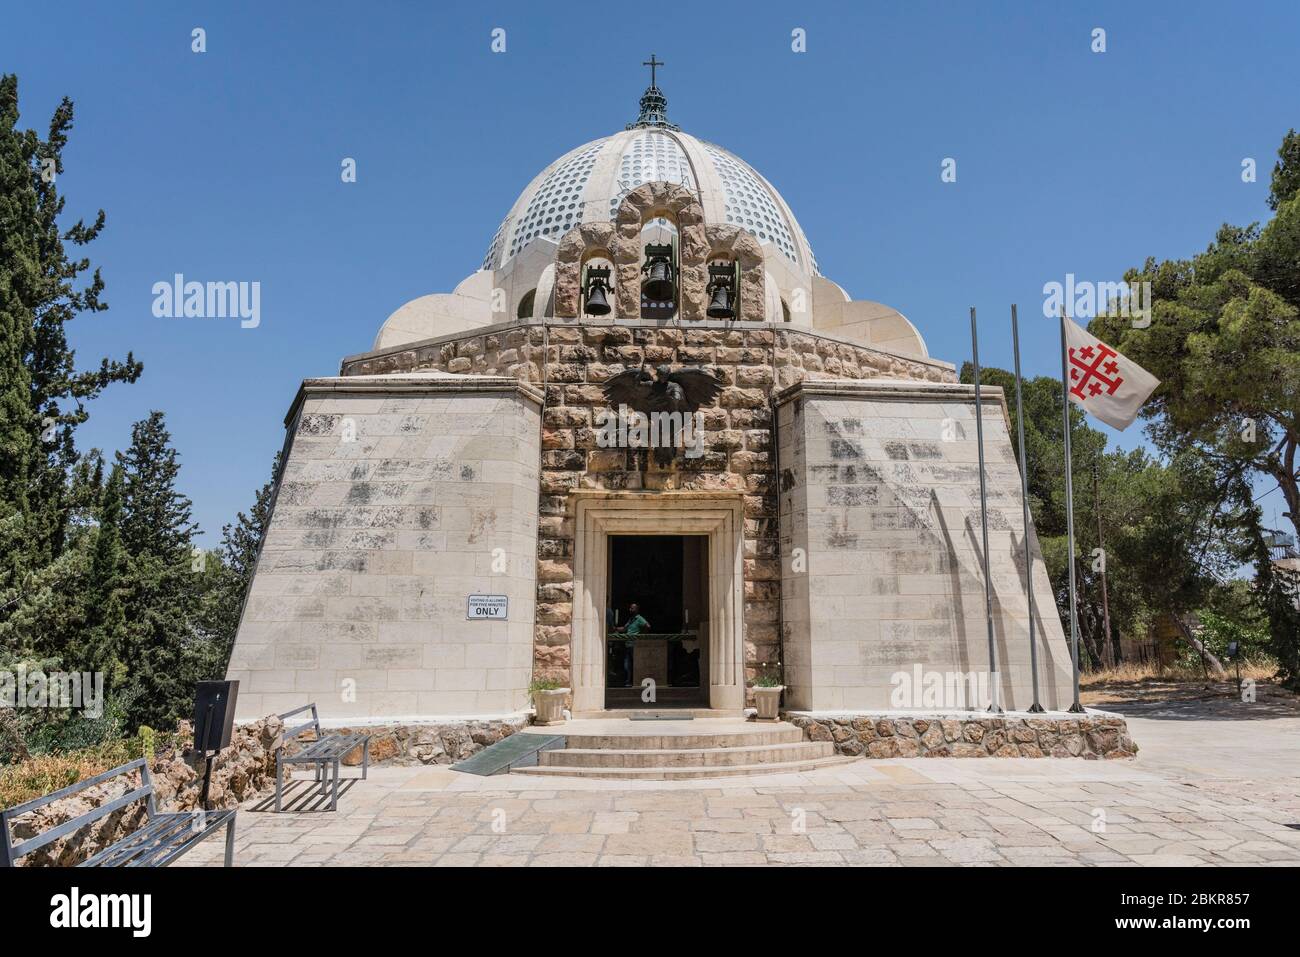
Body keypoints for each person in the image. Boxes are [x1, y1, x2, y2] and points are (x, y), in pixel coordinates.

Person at [617, 602, 650, 686]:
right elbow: (624, 629)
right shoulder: (631, 619)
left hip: (635, 646)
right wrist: (614, 628)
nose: (630, 609)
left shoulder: (639, 618)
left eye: (632, 608)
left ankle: (637, 682)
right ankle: (628, 682)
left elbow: (648, 626)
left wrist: (641, 635)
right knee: (627, 665)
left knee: (636, 664)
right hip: (628, 645)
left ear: (637, 609)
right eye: (630, 608)